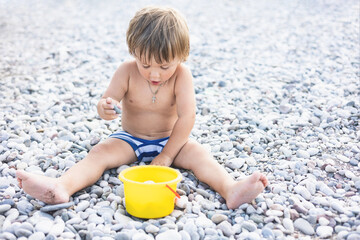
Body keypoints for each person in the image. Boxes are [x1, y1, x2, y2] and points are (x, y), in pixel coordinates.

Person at [16, 6, 268, 209]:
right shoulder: (126, 71)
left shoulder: (182, 76)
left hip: (170, 141)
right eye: (145, 65)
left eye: (164, 66)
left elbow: (187, 116)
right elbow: (106, 103)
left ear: (182, 55)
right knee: (100, 153)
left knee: (200, 156)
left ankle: (230, 188)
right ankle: (62, 186)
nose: (154, 74)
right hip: (130, 139)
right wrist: (105, 108)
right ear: (134, 52)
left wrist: (168, 155)